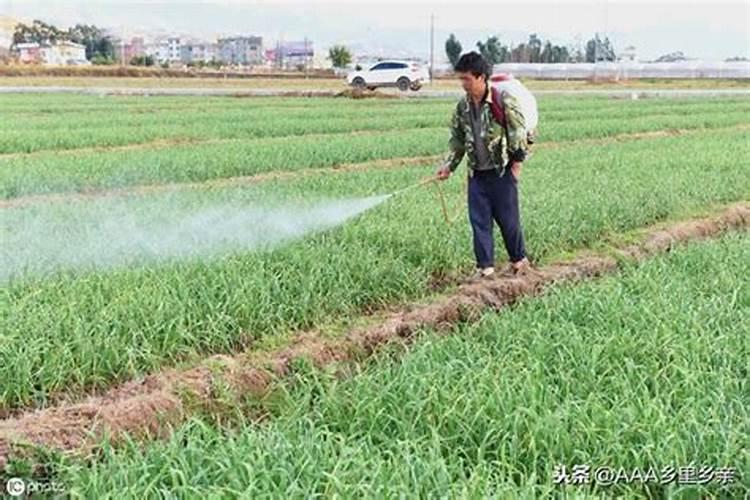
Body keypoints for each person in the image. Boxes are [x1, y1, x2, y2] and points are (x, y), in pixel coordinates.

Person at [435, 51, 533, 279]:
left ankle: (519, 260)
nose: (463, 84)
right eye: (461, 79)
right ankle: (485, 268)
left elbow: (519, 134)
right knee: (479, 222)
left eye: (466, 79)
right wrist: (448, 166)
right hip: (476, 174)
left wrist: (516, 167)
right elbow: (457, 141)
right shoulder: (463, 107)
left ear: (481, 77)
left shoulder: (503, 100)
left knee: (508, 221)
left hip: (501, 172)